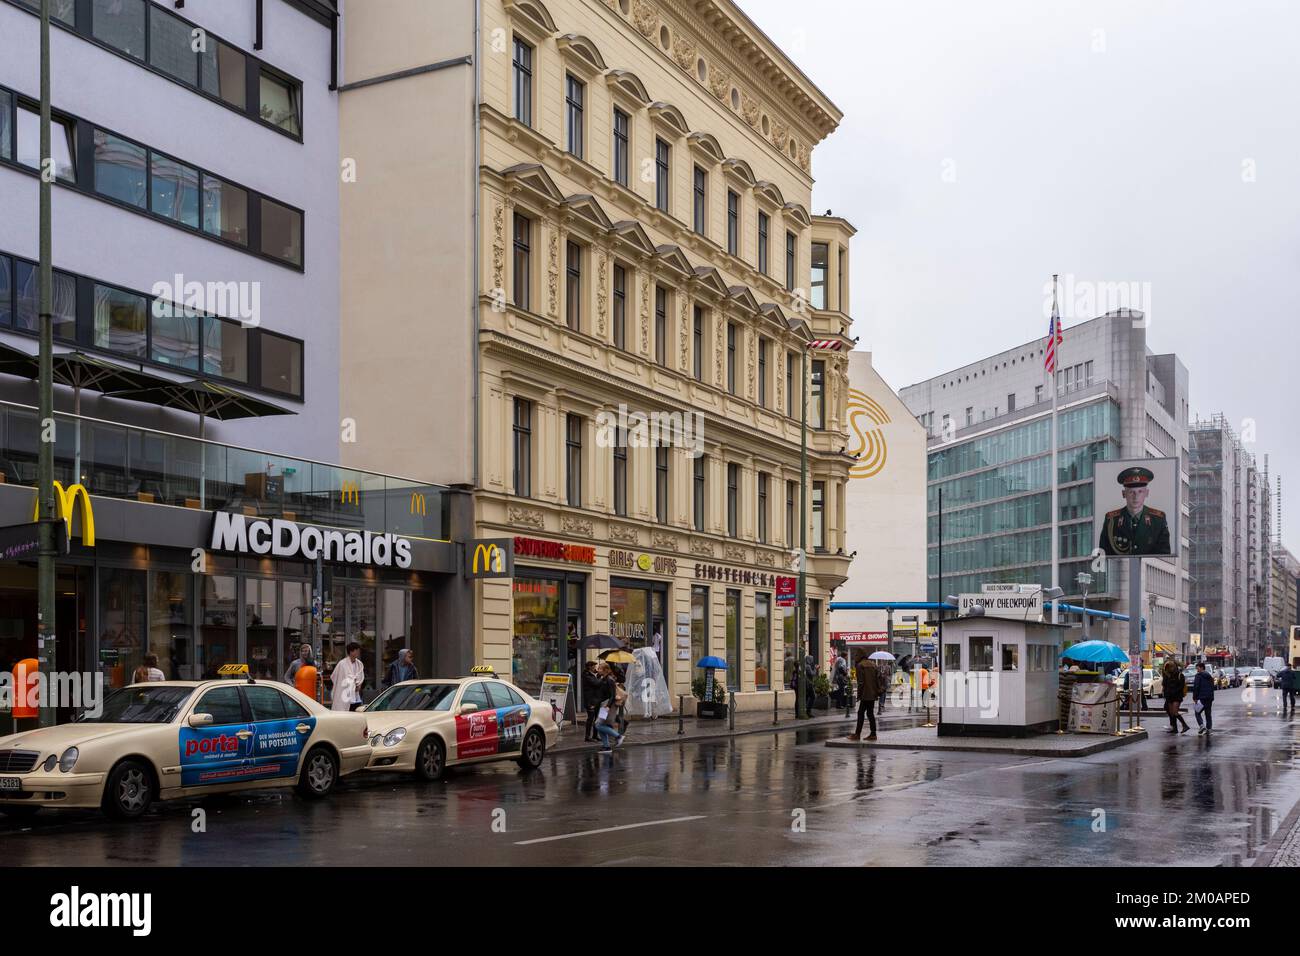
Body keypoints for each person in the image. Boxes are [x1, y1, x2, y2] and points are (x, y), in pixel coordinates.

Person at [1098, 466, 1171, 556]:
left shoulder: (1158, 519)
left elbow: (1164, 554)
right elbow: (1103, 554)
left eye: (1140, 492)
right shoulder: (1111, 520)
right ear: (1124, 494)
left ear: (1146, 493)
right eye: (1131, 492)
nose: (1135, 496)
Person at [592, 662, 625, 751]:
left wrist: (608, 706)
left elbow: (612, 695)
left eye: (599, 669)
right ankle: (606, 746)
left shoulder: (609, 680)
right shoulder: (604, 679)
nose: (598, 670)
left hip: (607, 705)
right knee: (600, 724)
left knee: (598, 725)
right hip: (603, 704)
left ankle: (618, 736)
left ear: (605, 670)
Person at [848, 657, 881, 741]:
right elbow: (877, 679)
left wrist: (859, 695)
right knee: (870, 714)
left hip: (865, 694)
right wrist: (877, 691)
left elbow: (861, 682)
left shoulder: (860, 665)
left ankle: (857, 734)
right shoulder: (873, 665)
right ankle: (873, 734)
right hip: (872, 693)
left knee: (860, 713)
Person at [330, 641, 365, 712]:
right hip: (344, 693)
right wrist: (349, 683)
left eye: (358, 650)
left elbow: (361, 676)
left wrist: (359, 684)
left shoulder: (359, 664)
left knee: (356, 713)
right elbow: (334, 676)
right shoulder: (342, 664)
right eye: (357, 650)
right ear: (351, 652)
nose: (358, 652)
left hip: (356, 694)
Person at [1162, 660, 1189, 733]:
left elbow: (1181, 686)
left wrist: (1174, 691)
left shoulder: (1180, 675)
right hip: (1169, 696)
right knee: (1171, 713)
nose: (1169, 669)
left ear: (1174, 667)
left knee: (1175, 712)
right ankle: (1175, 728)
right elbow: (1164, 685)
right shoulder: (1167, 675)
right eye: (1168, 667)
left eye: (1170, 667)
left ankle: (1185, 725)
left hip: (1176, 696)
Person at [581, 661, 603, 741]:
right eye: (594, 666)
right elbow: (596, 683)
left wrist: (598, 676)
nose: (595, 668)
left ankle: (595, 735)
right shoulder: (586, 675)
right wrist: (600, 677)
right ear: (589, 667)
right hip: (590, 700)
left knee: (596, 718)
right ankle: (587, 737)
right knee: (590, 718)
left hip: (596, 700)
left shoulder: (592, 674)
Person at [1192, 661, 1215, 735]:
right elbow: (1212, 687)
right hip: (1209, 698)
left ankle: (1201, 725)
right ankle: (1209, 729)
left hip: (1201, 697)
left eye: (1197, 668)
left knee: (1197, 712)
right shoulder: (1209, 676)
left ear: (1201, 668)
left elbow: (1196, 687)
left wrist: (1195, 697)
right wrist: (1211, 697)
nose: (1197, 670)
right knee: (1208, 714)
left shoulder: (1198, 676)